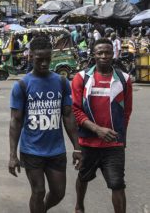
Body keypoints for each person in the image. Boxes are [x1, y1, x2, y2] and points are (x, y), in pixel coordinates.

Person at [9, 36, 81, 213]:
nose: (43, 63)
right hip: (31, 150)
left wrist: (77, 147)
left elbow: (68, 115)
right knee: (38, 191)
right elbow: (16, 121)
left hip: (56, 150)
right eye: (39, 59)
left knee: (58, 192)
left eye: (47, 59)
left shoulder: (62, 82)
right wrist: (12, 155)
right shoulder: (22, 85)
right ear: (30, 57)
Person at [72, 38, 132, 213]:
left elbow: (126, 112)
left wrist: (122, 138)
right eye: (100, 53)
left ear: (113, 54)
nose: (104, 56)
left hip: (113, 145)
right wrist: (97, 129)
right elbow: (75, 111)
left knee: (118, 184)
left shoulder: (124, 79)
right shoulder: (81, 78)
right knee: (83, 177)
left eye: (107, 52)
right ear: (94, 55)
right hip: (87, 143)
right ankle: (79, 206)